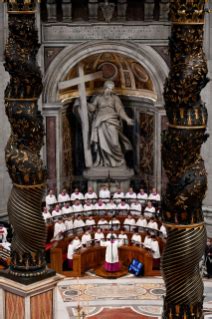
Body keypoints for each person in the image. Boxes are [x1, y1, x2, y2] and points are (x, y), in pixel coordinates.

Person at [88, 80, 134, 167]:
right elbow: (93, 108)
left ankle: (119, 161)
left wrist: (127, 119)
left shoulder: (115, 98)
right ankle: (103, 161)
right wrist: (86, 104)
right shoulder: (98, 98)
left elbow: (120, 110)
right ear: (105, 88)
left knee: (115, 142)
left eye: (111, 89)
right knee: (101, 144)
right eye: (108, 88)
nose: (110, 90)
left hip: (112, 121)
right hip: (100, 122)